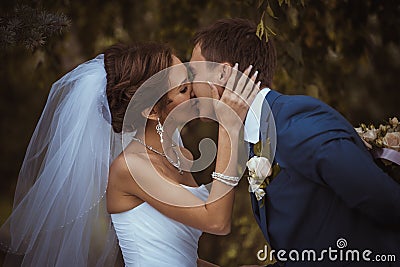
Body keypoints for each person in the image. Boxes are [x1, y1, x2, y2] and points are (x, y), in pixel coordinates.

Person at [0, 42, 259, 267]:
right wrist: (229, 125)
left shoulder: (180, 154)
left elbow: (176, 256)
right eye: (182, 89)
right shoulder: (130, 168)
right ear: (151, 111)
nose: (193, 89)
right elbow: (216, 221)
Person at [190, 18, 400, 267]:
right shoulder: (257, 138)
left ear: (223, 73)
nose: (188, 87)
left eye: (193, 73)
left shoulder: (294, 123)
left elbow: (384, 200)